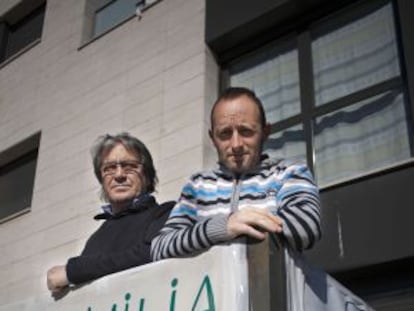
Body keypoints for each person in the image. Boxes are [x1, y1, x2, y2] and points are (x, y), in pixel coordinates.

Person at [151, 87, 321, 261]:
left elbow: (306, 227)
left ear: (265, 132)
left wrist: (235, 227)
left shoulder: (289, 172)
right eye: (225, 133)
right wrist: (223, 227)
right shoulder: (198, 185)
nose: (236, 144)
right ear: (212, 139)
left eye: (246, 131)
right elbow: (160, 247)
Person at [47, 132, 173, 294]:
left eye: (130, 166)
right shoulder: (95, 239)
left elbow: (152, 252)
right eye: (110, 168)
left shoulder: (165, 213)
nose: (119, 175)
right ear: (102, 181)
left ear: (147, 177)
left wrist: (73, 271)